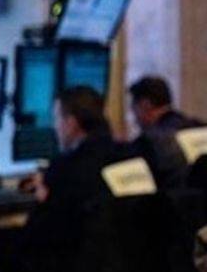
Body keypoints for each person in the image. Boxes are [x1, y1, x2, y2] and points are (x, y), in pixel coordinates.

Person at [23, 86, 132, 245]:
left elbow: (36, 235)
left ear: (71, 123)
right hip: (130, 255)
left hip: (82, 256)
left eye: (57, 119)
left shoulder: (65, 168)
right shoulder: (130, 155)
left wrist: (42, 195)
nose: (55, 127)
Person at [128, 76, 203, 188]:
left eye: (134, 108)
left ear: (145, 105)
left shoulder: (148, 142)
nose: (134, 118)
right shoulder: (200, 127)